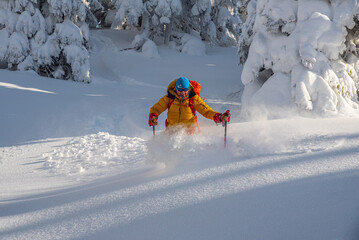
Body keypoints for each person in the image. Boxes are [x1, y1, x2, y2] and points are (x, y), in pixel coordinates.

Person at [148, 77, 230, 134]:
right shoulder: (170, 98)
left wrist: (219, 117)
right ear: (176, 89)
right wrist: (153, 116)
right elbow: (157, 108)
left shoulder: (193, 99)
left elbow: (206, 111)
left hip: (189, 132)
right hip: (171, 131)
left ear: (189, 89)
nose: (183, 93)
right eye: (180, 90)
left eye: (185, 90)